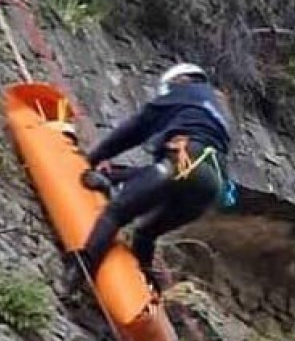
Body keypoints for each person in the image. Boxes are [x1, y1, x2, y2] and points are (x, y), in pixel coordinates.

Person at [64, 63, 232, 296]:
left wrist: (92, 159)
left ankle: (78, 274)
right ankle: (145, 290)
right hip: (210, 187)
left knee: (116, 213)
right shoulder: (216, 112)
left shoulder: (186, 92)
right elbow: (164, 175)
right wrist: (115, 175)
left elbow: (134, 130)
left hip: (183, 165)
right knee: (146, 233)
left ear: (182, 79)